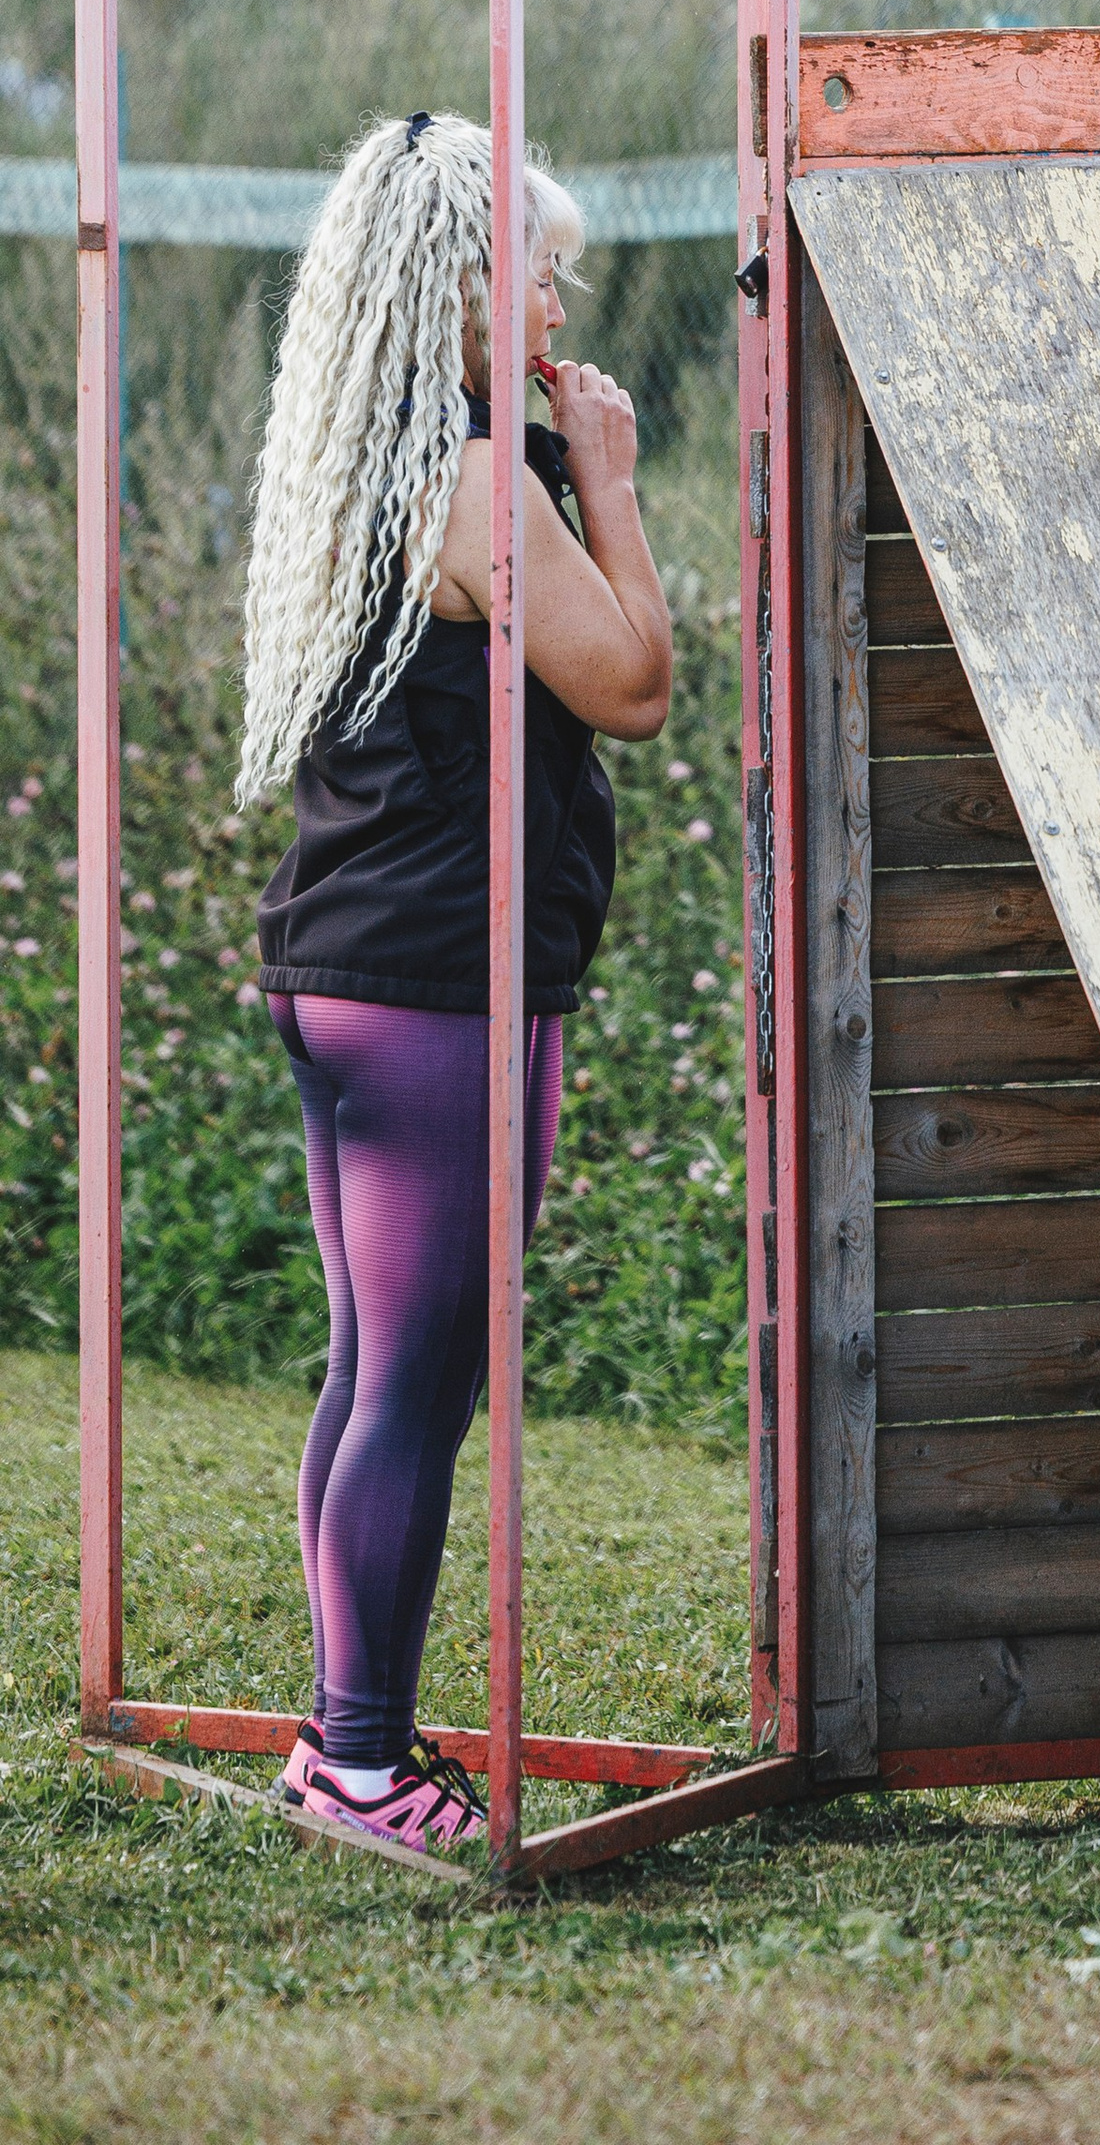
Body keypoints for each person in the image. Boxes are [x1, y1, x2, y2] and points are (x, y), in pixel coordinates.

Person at [235, 110, 673, 1852]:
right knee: (419, 1376)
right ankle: (359, 1763)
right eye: (535, 260)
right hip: (437, 985)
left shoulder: (380, 451)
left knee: (371, 1365)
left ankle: (343, 1740)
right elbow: (631, 681)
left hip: (351, 961)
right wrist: (619, 486)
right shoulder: (483, 476)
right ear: (458, 284)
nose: (560, 285)